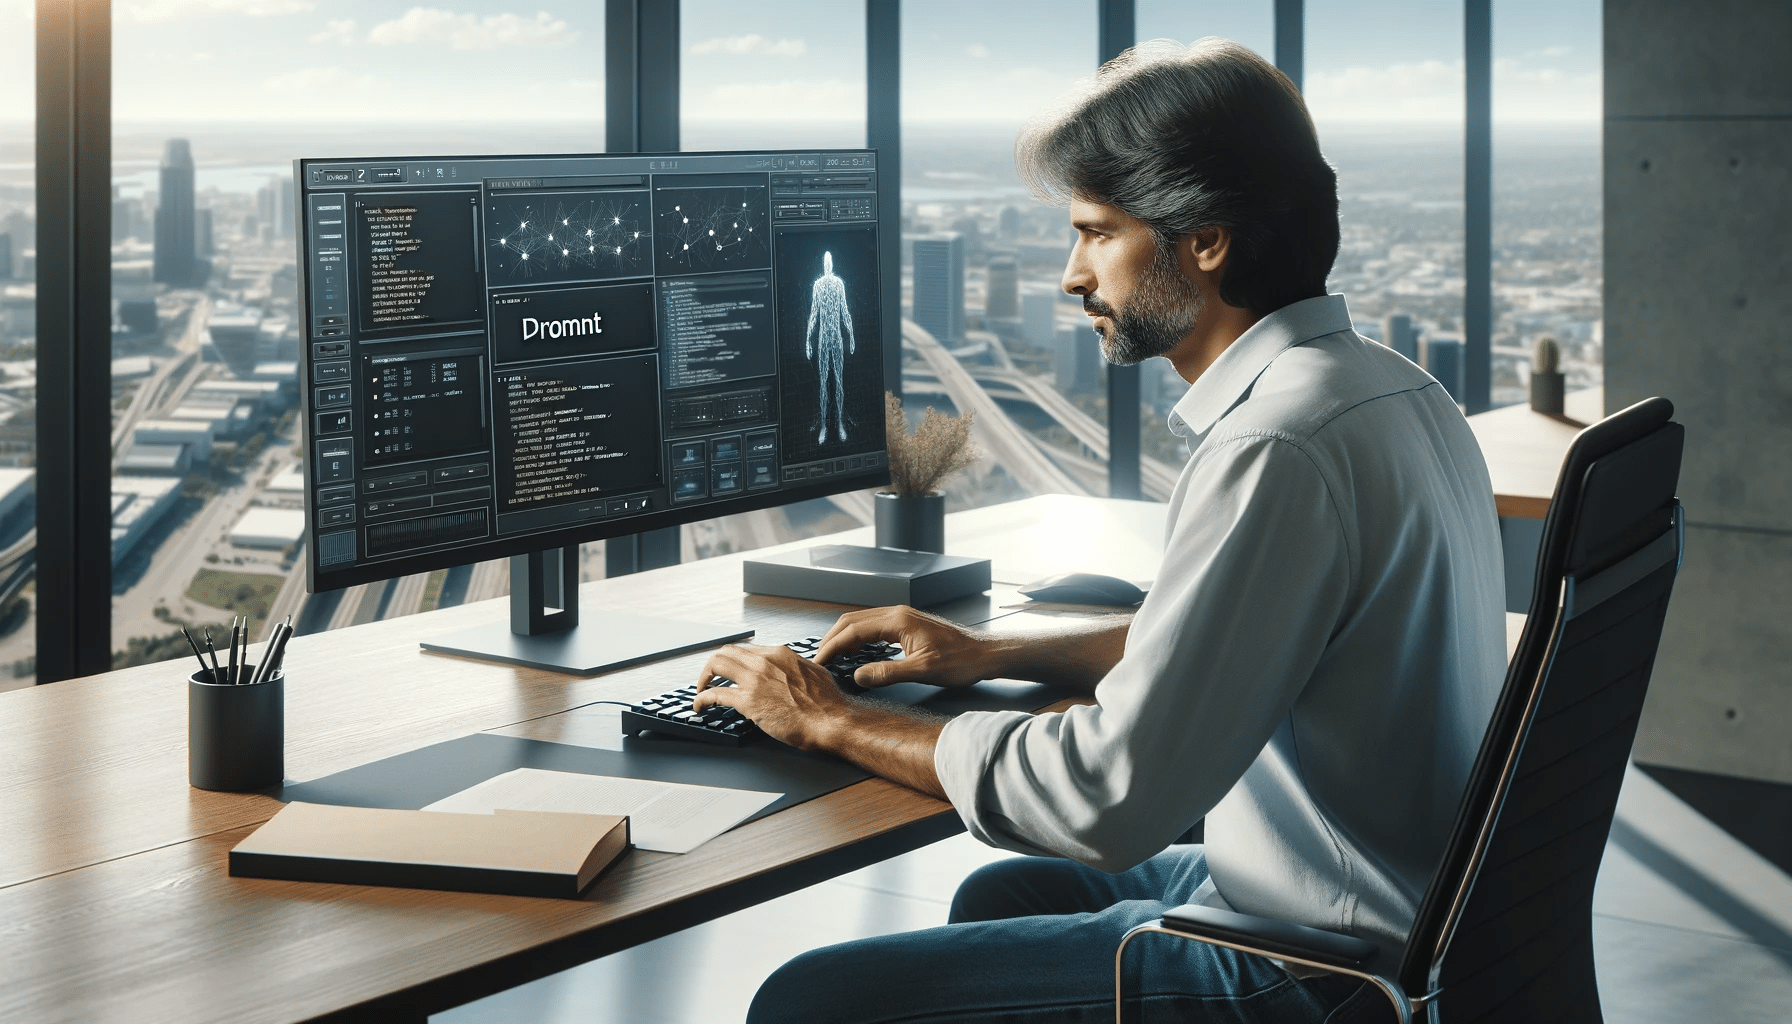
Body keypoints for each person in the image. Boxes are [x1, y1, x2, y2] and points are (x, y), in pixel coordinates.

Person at [694, 38, 1505, 1024]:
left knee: (809, 1000)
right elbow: (1233, 640)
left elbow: (1110, 800)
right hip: (1417, 912)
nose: (1073, 275)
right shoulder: (1392, 391)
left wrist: (834, 719)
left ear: (1205, 241)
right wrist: (995, 653)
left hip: (1319, 963)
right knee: (1007, 893)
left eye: (1096, 233)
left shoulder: (1276, 447)